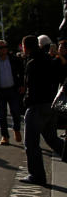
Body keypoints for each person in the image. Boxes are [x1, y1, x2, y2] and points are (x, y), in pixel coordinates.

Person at [20, 35, 66, 185]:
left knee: (31, 144)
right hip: (51, 104)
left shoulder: (32, 63)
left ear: (25, 47)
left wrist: (26, 102)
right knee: (52, 138)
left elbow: (30, 88)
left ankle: (37, 175)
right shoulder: (50, 60)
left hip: (37, 106)